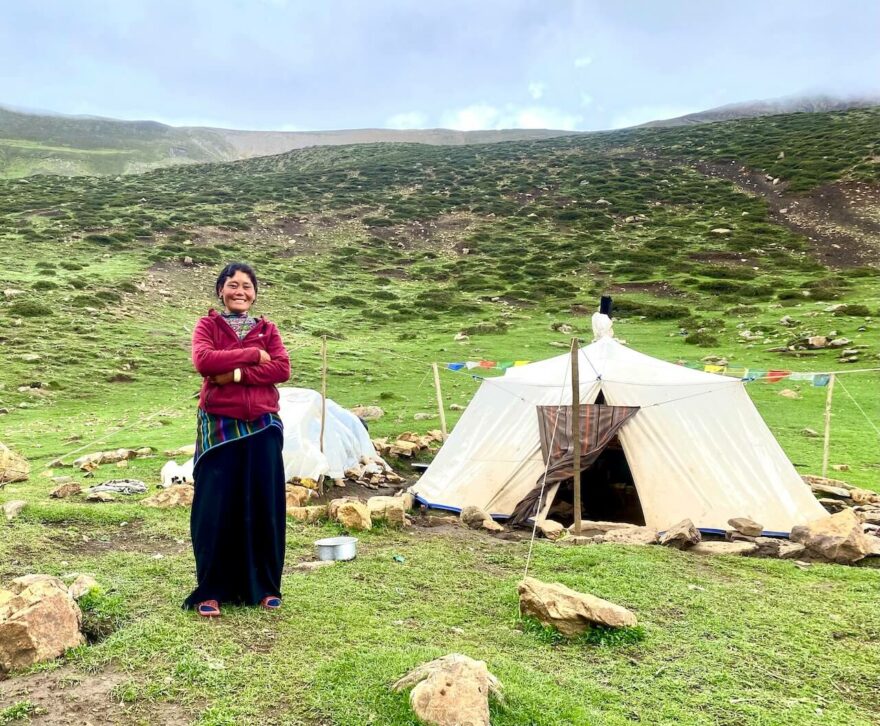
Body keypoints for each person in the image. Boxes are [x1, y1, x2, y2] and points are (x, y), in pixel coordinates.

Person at [184, 262, 291, 617]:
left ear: (255, 292)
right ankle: (211, 590)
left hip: (262, 425)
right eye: (232, 285)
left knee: (263, 505)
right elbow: (203, 361)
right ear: (221, 291)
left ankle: (263, 587)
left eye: (246, 285)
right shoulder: (208, 325)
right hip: (220, 428)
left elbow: (281, 369)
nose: (240, 291)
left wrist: (232, 374)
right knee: (214, 509)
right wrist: (251, 356)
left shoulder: (268, 329)